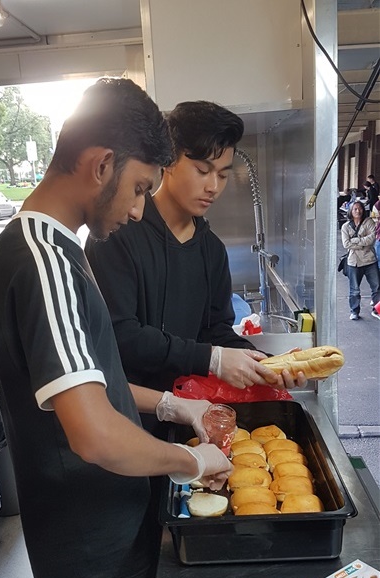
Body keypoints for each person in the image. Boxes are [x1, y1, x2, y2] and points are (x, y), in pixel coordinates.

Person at [0, 78, 235, 578]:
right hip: (92, 541)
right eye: (141, 187)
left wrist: (177, 408)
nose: (139, 208)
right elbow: (93, 433)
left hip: (99, 531)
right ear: (101, 166)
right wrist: (190, 462)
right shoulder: (46, 262)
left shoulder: (49, 250)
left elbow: (93, 387)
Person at [85, 100, 305, 441]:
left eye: (223, 174)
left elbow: (216, 331)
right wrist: (212, 359)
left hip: (191, 420)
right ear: (169, 159)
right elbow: (119, 335)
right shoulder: (119, 232)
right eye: (203, 171)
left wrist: (268, 365)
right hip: (127, 420)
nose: (213, 186)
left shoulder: (211, 251)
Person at [341, 201, 380, 320]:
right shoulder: (346, 226)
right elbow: (346, 244)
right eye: (355, 209)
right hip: (354, 262)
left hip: (370, 260)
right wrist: (362, 243)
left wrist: (356, 241)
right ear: (350, 211)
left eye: (360, 209)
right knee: (354, 290)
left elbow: (372, 239)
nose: (358, 211)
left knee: (377, 287)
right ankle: (354, 310)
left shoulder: (369, 222)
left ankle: (377, 310)